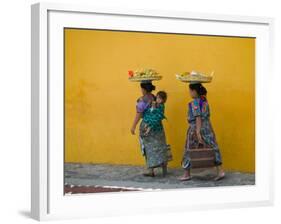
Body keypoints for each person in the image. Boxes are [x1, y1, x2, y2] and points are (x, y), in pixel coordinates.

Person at [179, 83, 225, 181]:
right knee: (213, 147)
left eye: (190, 90)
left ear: (194, 91)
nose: (189, 93)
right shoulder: (204, 101)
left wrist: (198, 132)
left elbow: (198, 117)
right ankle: (220, 171)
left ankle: (187, 173)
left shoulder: (195, 103)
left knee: (189, 149)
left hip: (196, 128)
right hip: (207, 127)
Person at [130, 82, 168, 177]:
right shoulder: (156, 97)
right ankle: (164, 166)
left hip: (147, 125)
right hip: (157, 126)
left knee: (148, 147)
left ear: (144, 89)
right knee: (160, 145)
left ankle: (150, 170)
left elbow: (139, 114)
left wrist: (133, 126)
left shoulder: (142, 100)